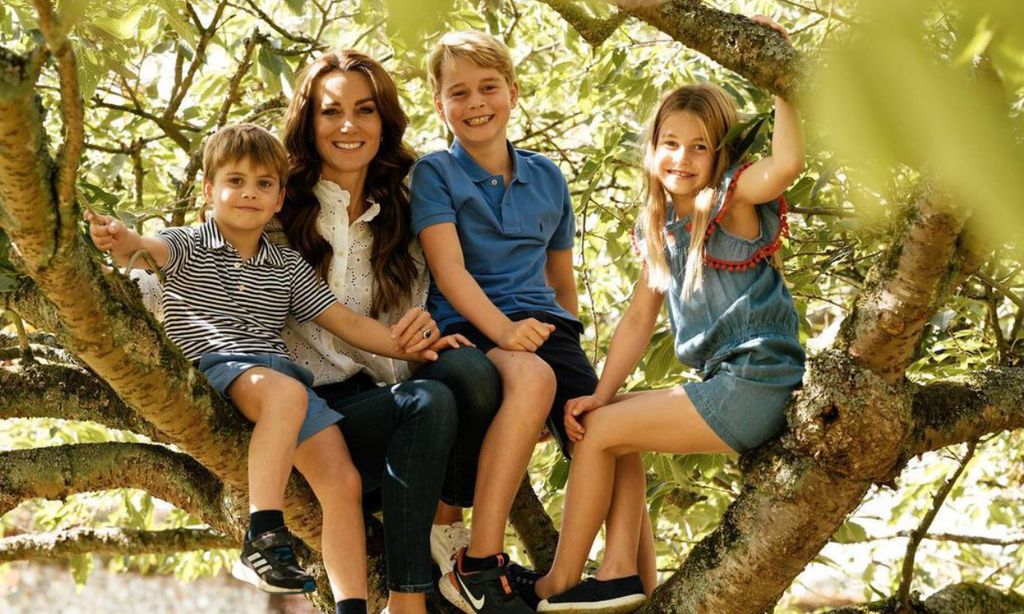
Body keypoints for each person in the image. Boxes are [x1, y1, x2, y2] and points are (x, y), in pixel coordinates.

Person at [87, 124, 469, 614]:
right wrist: (118, 238)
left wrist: (413, 348)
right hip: (222, 366)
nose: (249, 192)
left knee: (344, 483)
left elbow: (347, 322)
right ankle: (262, 533)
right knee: (287, 392)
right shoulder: (186, 243)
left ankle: (352, 606)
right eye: (235, 180)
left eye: (264, 184)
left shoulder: (285, 264)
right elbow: (139, 250)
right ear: (209, 191)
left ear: (280, 197)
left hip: (279, 381)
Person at [531, 17, 806, 613]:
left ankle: (558, 584)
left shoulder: (726, 203)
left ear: (721, 154)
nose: (682, 158)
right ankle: (625, 578)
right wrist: (601, 393)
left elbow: (784, 167)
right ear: (653, 149)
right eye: (671, 144)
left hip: (756, 382)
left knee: (601, 433)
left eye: (700, 146)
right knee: (611, 425)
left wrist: (784, 78)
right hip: (723, 385)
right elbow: (635, 322)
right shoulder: (660, 227)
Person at [410, 31, 655, 614]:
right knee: (533, 381)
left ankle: (631, 578)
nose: (476, 103)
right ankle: (479, 563)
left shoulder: (547, 177)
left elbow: (561, 280)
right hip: (471, 330)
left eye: (488, 87)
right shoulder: (435, 173)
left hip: (548, 329)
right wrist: (503, 332)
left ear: (513, 93)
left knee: (611, 425)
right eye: (459, 92)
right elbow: (449, 273)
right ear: (440, 104)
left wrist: (569, 344)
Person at [277, 50, 503, 614]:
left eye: (365, 110)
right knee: (425, 402)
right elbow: (196, 254)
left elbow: (479, 267)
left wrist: (429, 330)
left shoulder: (407, 201)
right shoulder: (277, 202)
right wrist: (136, 259)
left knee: (472, 371)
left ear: (386, 122)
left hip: (396, 416)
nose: (349, 126)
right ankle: (408, 600)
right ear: (309, 123)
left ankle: (446, 531)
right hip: (315, 418)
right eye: (332, 112)